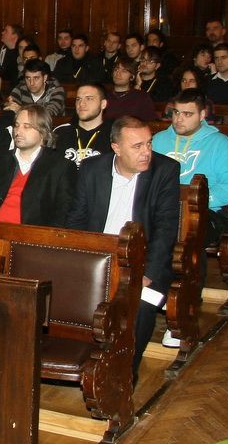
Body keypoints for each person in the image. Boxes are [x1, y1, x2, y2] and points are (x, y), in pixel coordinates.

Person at [66, 116, 180, 378]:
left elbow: (165, 229)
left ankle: (124, 376)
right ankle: (86, 366)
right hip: (99, 259)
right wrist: (78, 264)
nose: (146, 152)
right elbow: (76, 221)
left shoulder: (164, 170)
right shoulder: (93, 168)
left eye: (148, 144)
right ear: (116, 148)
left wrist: (147, 274)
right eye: (137, 146)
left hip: (142, 261)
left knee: (140, 306)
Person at [152, 89, 228, 250]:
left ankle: (190, 268)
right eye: (176, 112)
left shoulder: (220, 143)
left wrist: (195, 201)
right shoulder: (158, 140)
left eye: (187, 114)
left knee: (188, 230)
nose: (179, 119)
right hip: (163, 208)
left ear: (202, 115)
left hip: (206, 210)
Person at [0, 104, 76, 228]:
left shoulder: (61, 167)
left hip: (31, 235)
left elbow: (62, 214)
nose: (18, 131)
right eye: (17, 125)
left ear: (43, 132)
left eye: (26, 126)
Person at [53, 83, 113, 168]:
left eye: (89, 98)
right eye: (78, 99)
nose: (81, 104)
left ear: (103, 104)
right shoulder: (60, 132)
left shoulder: (113, 134)